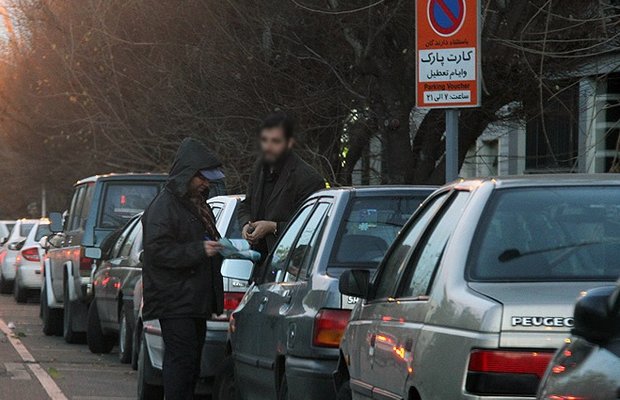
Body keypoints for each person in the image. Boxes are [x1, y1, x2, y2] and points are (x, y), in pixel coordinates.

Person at [141, 137, 225, 400]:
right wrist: (199, 250)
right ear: (188, 174)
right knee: (181, 366)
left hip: (192, 302)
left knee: (189, 367)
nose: (207, 183)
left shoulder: (196, 205)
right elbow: (156, 251)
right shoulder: (164, 207)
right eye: (203, 178)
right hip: (175, 302)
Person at [239, 111, 325, 261]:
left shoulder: (308, 179)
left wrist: (273, 227)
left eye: (275, 141)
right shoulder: (259, 169)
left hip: (290, 263)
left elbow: (310, 228)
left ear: (289, 143)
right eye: (265, 140)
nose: (268, 147)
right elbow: (246, 205)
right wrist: (246, 225)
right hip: (259, 263)